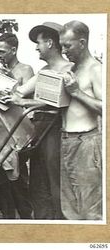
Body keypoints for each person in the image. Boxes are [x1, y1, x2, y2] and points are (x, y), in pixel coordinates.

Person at [4, 22, 73, 219]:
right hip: (39, 130)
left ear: (50, 43)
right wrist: (2, 85)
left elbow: (57, 103)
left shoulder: (68, 69)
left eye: (39, 43)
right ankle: (44, 225)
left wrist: (23, 101)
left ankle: (62, 225)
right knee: (38, 183)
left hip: (55, 128)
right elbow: (19, 91)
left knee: (55, 182)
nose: (36, 47)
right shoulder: (44, 70)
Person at [59, 21, 102, 220]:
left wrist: (77, 92)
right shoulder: (72, 69)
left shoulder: (96, 70)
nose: (64, 50)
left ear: (82, 43)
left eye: (68, 45)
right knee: (69, 206)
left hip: (86, 142)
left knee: (90, 207)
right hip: (67, 140)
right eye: (62, 46)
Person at [0, 33, 34, 219]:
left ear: (14, 50)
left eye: (3, 51)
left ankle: (27, 218)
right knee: (1, 183)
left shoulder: (26, 70)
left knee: (18, 181)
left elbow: (29, 100)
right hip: (2, 132)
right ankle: (8, 218)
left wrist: (11, 81)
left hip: (20, 132)